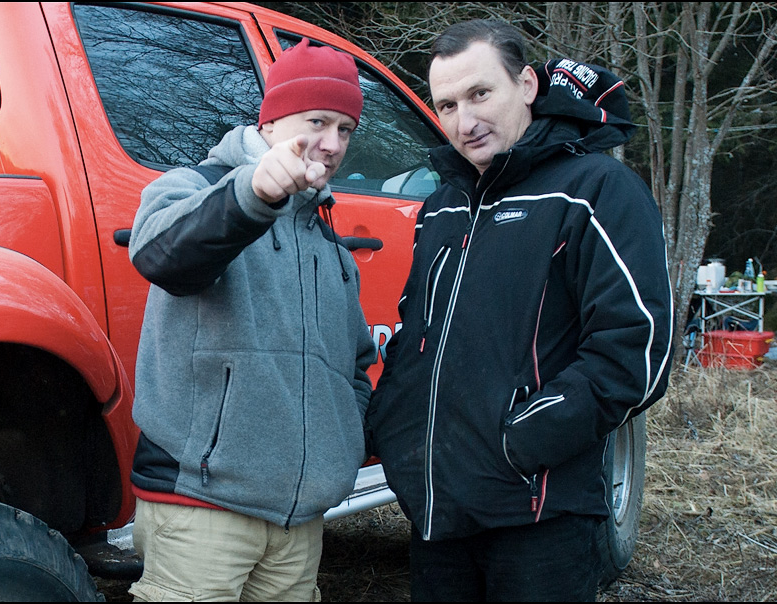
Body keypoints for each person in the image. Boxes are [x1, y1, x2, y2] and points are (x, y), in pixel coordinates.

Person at [366, 20, 674, 602]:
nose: (465, 121)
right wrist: (394, 426)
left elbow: (638, 349)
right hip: (438, 513)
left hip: (539, 515)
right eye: (448, 105)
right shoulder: (442, 207)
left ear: (527, 85)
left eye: (481, 94)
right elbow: (415, 336)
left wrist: (521, 441)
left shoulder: (595, 189)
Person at [126, 38, 376, 602]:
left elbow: (355, 370)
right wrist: (253, 193)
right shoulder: (195, 187)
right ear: (271, 121)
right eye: (317, 121)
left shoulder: (331, 250)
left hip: (298, 525)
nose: (332, 143)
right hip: (201, 508)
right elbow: (159, 256)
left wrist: (336, 452)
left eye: (346, 129)